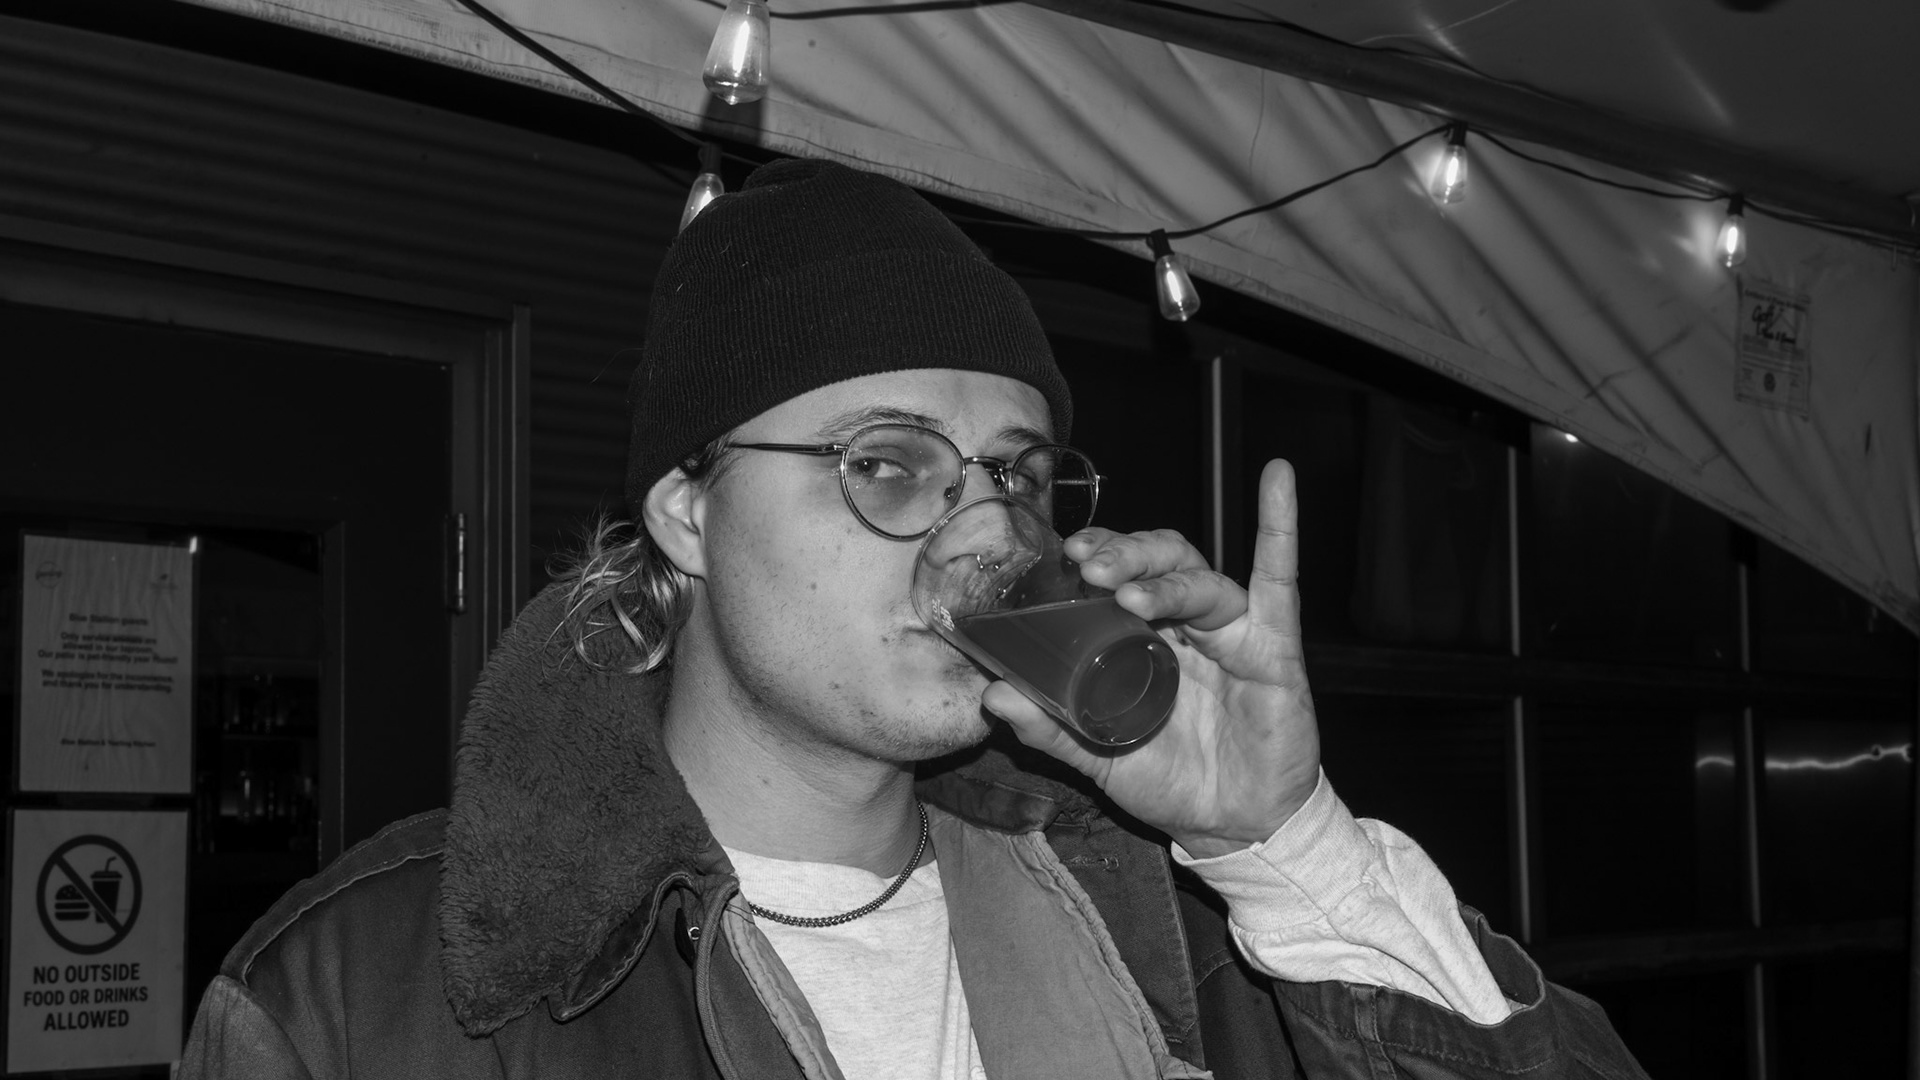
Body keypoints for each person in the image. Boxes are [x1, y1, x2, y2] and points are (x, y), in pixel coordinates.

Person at [180, 158, 1646, 1079]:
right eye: (887, 465)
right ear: (688, 514)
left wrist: (1281, 839)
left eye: (1015, 476)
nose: (986, 535)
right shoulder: (367, 997)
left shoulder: (1162, 918)